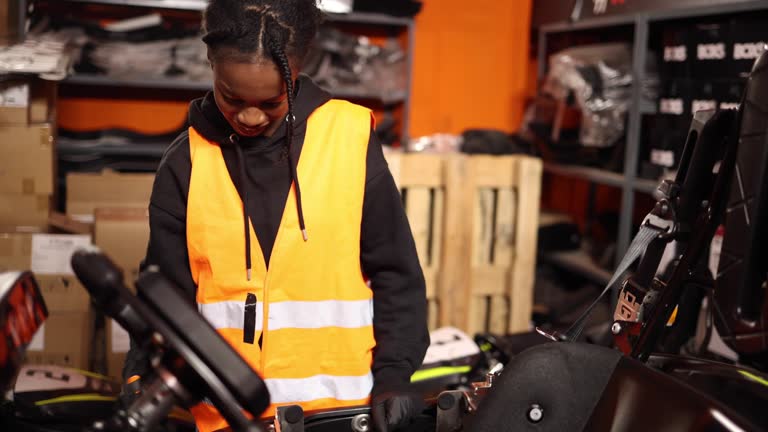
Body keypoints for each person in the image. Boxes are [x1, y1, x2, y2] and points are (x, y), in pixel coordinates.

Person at [123, 0, 430, 431]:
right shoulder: (186, 163)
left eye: (271, 103)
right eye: (232, 97)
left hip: (339, 417)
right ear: (210, 62)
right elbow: (163, 297)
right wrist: (140, 375)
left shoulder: (349, 140)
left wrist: (395, 377)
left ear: (299, 69)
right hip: (227, 419)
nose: (250, 116)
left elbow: (397, 275)